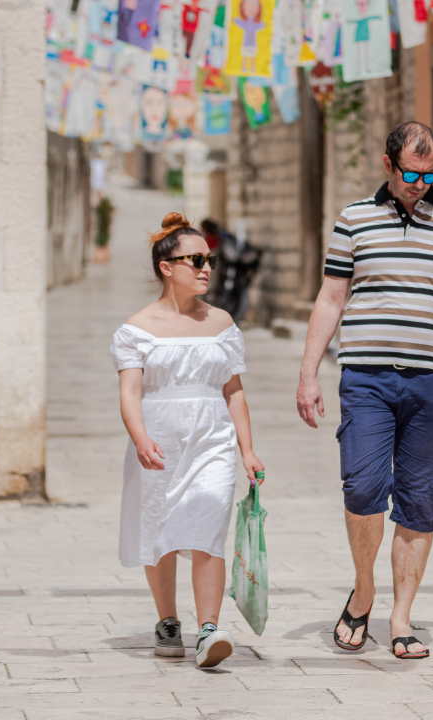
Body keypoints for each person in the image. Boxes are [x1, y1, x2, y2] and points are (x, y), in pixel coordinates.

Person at [295, 121, 433, 659]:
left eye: (430, 174)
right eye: (412, 174)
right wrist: (308, 374)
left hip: (430, 381)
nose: (421, 184)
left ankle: (401, 617)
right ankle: (363, 590)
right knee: (362, 487)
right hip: (366, 378)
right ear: (388, 165)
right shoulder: (354, 219)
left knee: (420, 497)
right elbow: (331, 297)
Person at [111, 212, 265, 668]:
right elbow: (130, 392)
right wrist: (140, 438)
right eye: (195, 260)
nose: (206, 268)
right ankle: (168, 622)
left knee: (208, 526)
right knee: (158, 530)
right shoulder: (136, 328)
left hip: (212, 439)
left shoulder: (222, 322)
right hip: (159, 443)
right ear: (166, 267)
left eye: (209, 260)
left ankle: (209, 630)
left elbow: (234, 391)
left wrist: (247, 449)